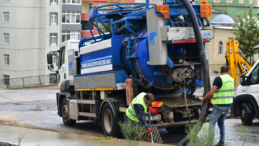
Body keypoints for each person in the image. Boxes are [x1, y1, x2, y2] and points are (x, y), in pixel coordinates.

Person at [201, 66, 234, 146]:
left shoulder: (219, 79)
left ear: (221, 71)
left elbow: (211, 93)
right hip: (228, 105)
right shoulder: (231, 79)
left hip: (219, 105)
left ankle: (209, 142)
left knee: (212, 123)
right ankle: (221, 142)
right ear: (228, 71)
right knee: (221, 122)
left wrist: (203, 99)